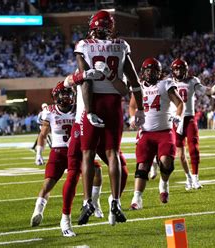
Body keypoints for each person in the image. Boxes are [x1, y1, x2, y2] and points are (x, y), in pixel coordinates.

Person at [69, 10, 145, 226]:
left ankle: (87, 203)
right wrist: (140, 109)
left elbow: (86, 81)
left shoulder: (84, 45)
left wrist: (90, 110)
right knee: (113, 154)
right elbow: (134, 82)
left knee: (87, 155)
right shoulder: (121, 45)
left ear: (93, 25)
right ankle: (116, 202)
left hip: (95, 101)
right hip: (113, 102)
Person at [61, 70, 130, 236]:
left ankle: (113, 202)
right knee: (73, 174)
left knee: (124, 171)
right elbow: (66, 82)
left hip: (105, 125)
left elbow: (125, 89)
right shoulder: (85, 66)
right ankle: (66, 219)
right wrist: (83, 75)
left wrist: (111, 75)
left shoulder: (114, 66)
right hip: (83, 125)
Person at [128, 57, 184, 210]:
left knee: (166, 161)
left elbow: (179, 103)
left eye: (153, 71)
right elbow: (132, 106)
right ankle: (137, 198)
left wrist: (178, 117)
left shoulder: (165, 84)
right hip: (145, 132)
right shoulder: (139, 87)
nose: (149, 73)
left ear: (159, 72)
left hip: (164, 131)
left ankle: (164, 184)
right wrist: (133, 117)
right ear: (142, 72)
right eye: (147, 70)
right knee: (142, 166)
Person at [169, 58, 215, 190]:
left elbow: (210, 91)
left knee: (194, 149)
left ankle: (196, 178)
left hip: (189, 118)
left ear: (185, 70)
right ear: (172, 70)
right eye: (176, 69)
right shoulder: (167, 83)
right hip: (175, 120)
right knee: (180, 155)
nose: (179, 71)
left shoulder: (192, 81)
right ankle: (188, 177)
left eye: (181, 69)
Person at [30, 82, 75, 228]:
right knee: (48, 183)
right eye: (63, 94)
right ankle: (38, 211)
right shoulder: (49, 111)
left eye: (68, 93)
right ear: (56, 96)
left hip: (76, 151)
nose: (66, 96)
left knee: (95, 174)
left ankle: (94, 204)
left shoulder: (79, 108)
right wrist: (38, 153)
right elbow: (43, 135)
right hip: (58, 151)